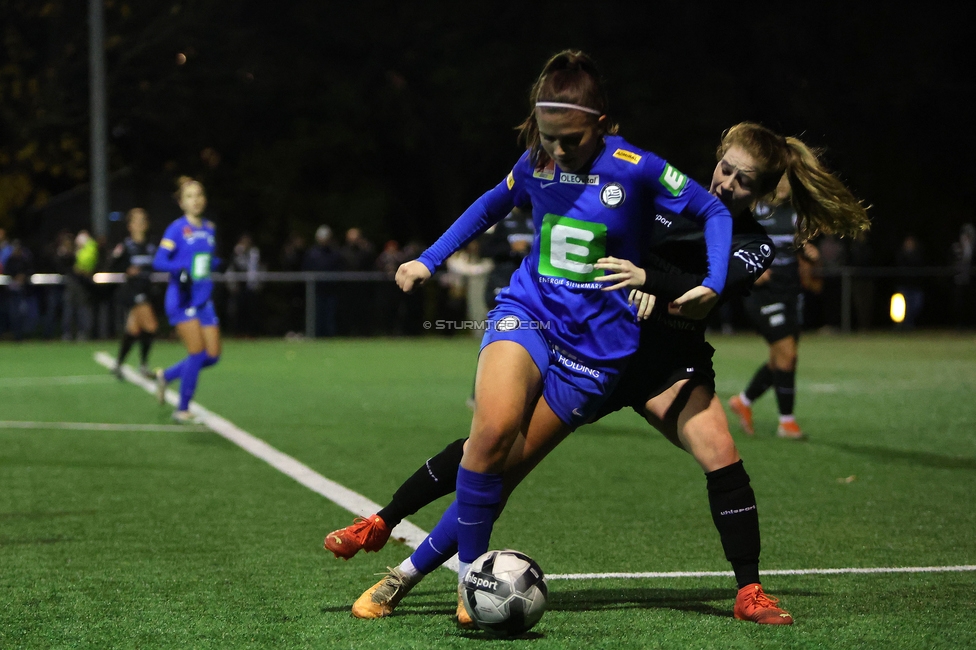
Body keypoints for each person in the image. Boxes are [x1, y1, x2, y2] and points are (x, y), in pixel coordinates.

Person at [327, 121, 870, 627]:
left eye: (743, 180)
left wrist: (648, 280)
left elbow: (701, 291)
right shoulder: (669, 194)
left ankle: (749, 590)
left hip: (666, 366)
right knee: (498, 455)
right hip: (598, 352)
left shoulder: (751, 245)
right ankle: (393, 546)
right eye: (724, 168)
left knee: (722, 454)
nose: (725, 183)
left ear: (767, 190)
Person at [339, 50, 734, 624]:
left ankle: (407, 571)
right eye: (547, 137)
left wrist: (713, 283)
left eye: (569, 139)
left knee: (497, 474)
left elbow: (714, 212)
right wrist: (429, 259)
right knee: (489, 434)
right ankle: (470, 585)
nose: (555, 150)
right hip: (527, 312)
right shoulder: (535, 161)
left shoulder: (637, 165)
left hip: (597, 352)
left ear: (602, 124)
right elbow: (488, 205)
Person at [728, 169, 852, 439]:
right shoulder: (752, 209)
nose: (784, 185)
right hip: (761, 293)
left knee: (783, 358)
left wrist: (811, 255)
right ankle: (786, 422)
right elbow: (726, 241)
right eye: (780, 179)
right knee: (787, 353)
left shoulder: (796, 214)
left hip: (789, 289)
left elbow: (800, 251)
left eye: (788, 180)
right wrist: (750, 267)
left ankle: (743, 401)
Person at [152, 177, 221, 424]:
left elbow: (205, 261)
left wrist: (215, 264)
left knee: (212, 356)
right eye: (190, 196)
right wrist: (179, 268)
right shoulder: (176, 228)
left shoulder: (210, 228)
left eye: (199, 195)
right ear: (182, 202)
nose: (196, 200)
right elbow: (159, 261)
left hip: (204, 299)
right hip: (182, 299)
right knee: (197, 352)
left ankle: (166, 376)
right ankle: (182, 409)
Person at [110, 208, 159, 378]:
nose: (141, 223)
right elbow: (113, 265)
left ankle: (118, 364)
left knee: (134, 330)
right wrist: (126, 269)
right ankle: (143, 366)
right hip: (133, 291)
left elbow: (159, 264)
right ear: (130, 225)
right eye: (136, 220)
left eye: (143, 219)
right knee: (151, 326)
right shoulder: (125, 246)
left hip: (147, 290)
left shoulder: (152, 245)